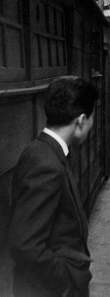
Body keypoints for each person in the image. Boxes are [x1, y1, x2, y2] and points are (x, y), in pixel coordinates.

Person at [9, 76, 99, 297]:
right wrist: (66, 281)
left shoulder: (44, 151)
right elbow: (26, 245)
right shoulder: (45, 164)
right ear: (81, 120)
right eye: (92, 118)